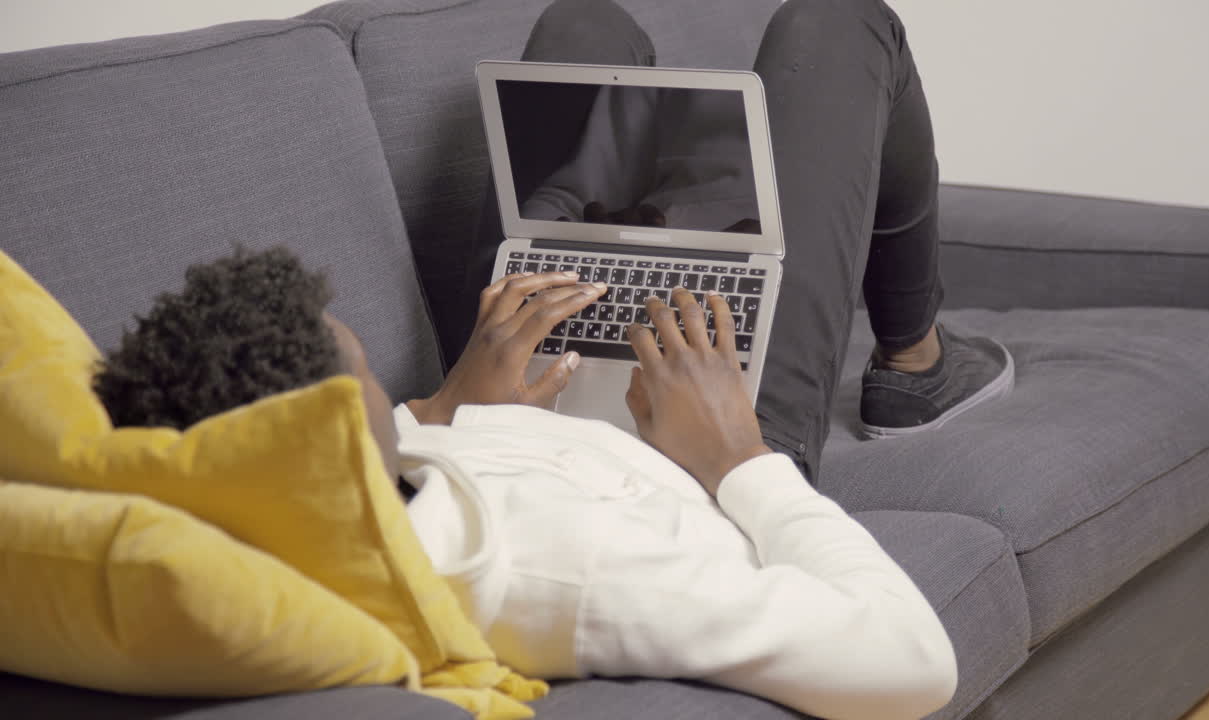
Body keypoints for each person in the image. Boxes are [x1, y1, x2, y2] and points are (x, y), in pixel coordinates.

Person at [93, 1, 1020, 717]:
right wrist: (741, 456)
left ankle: (652, 221)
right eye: (366, 374)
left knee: (586, 28)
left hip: (518, 406)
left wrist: (450, 408)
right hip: (704, 445)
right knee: (842, 24)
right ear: (334, 431)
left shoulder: (309, 504)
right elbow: (913, 665)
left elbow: (374, 472)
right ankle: (916, 358)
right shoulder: (569, 578)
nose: (381, 380)